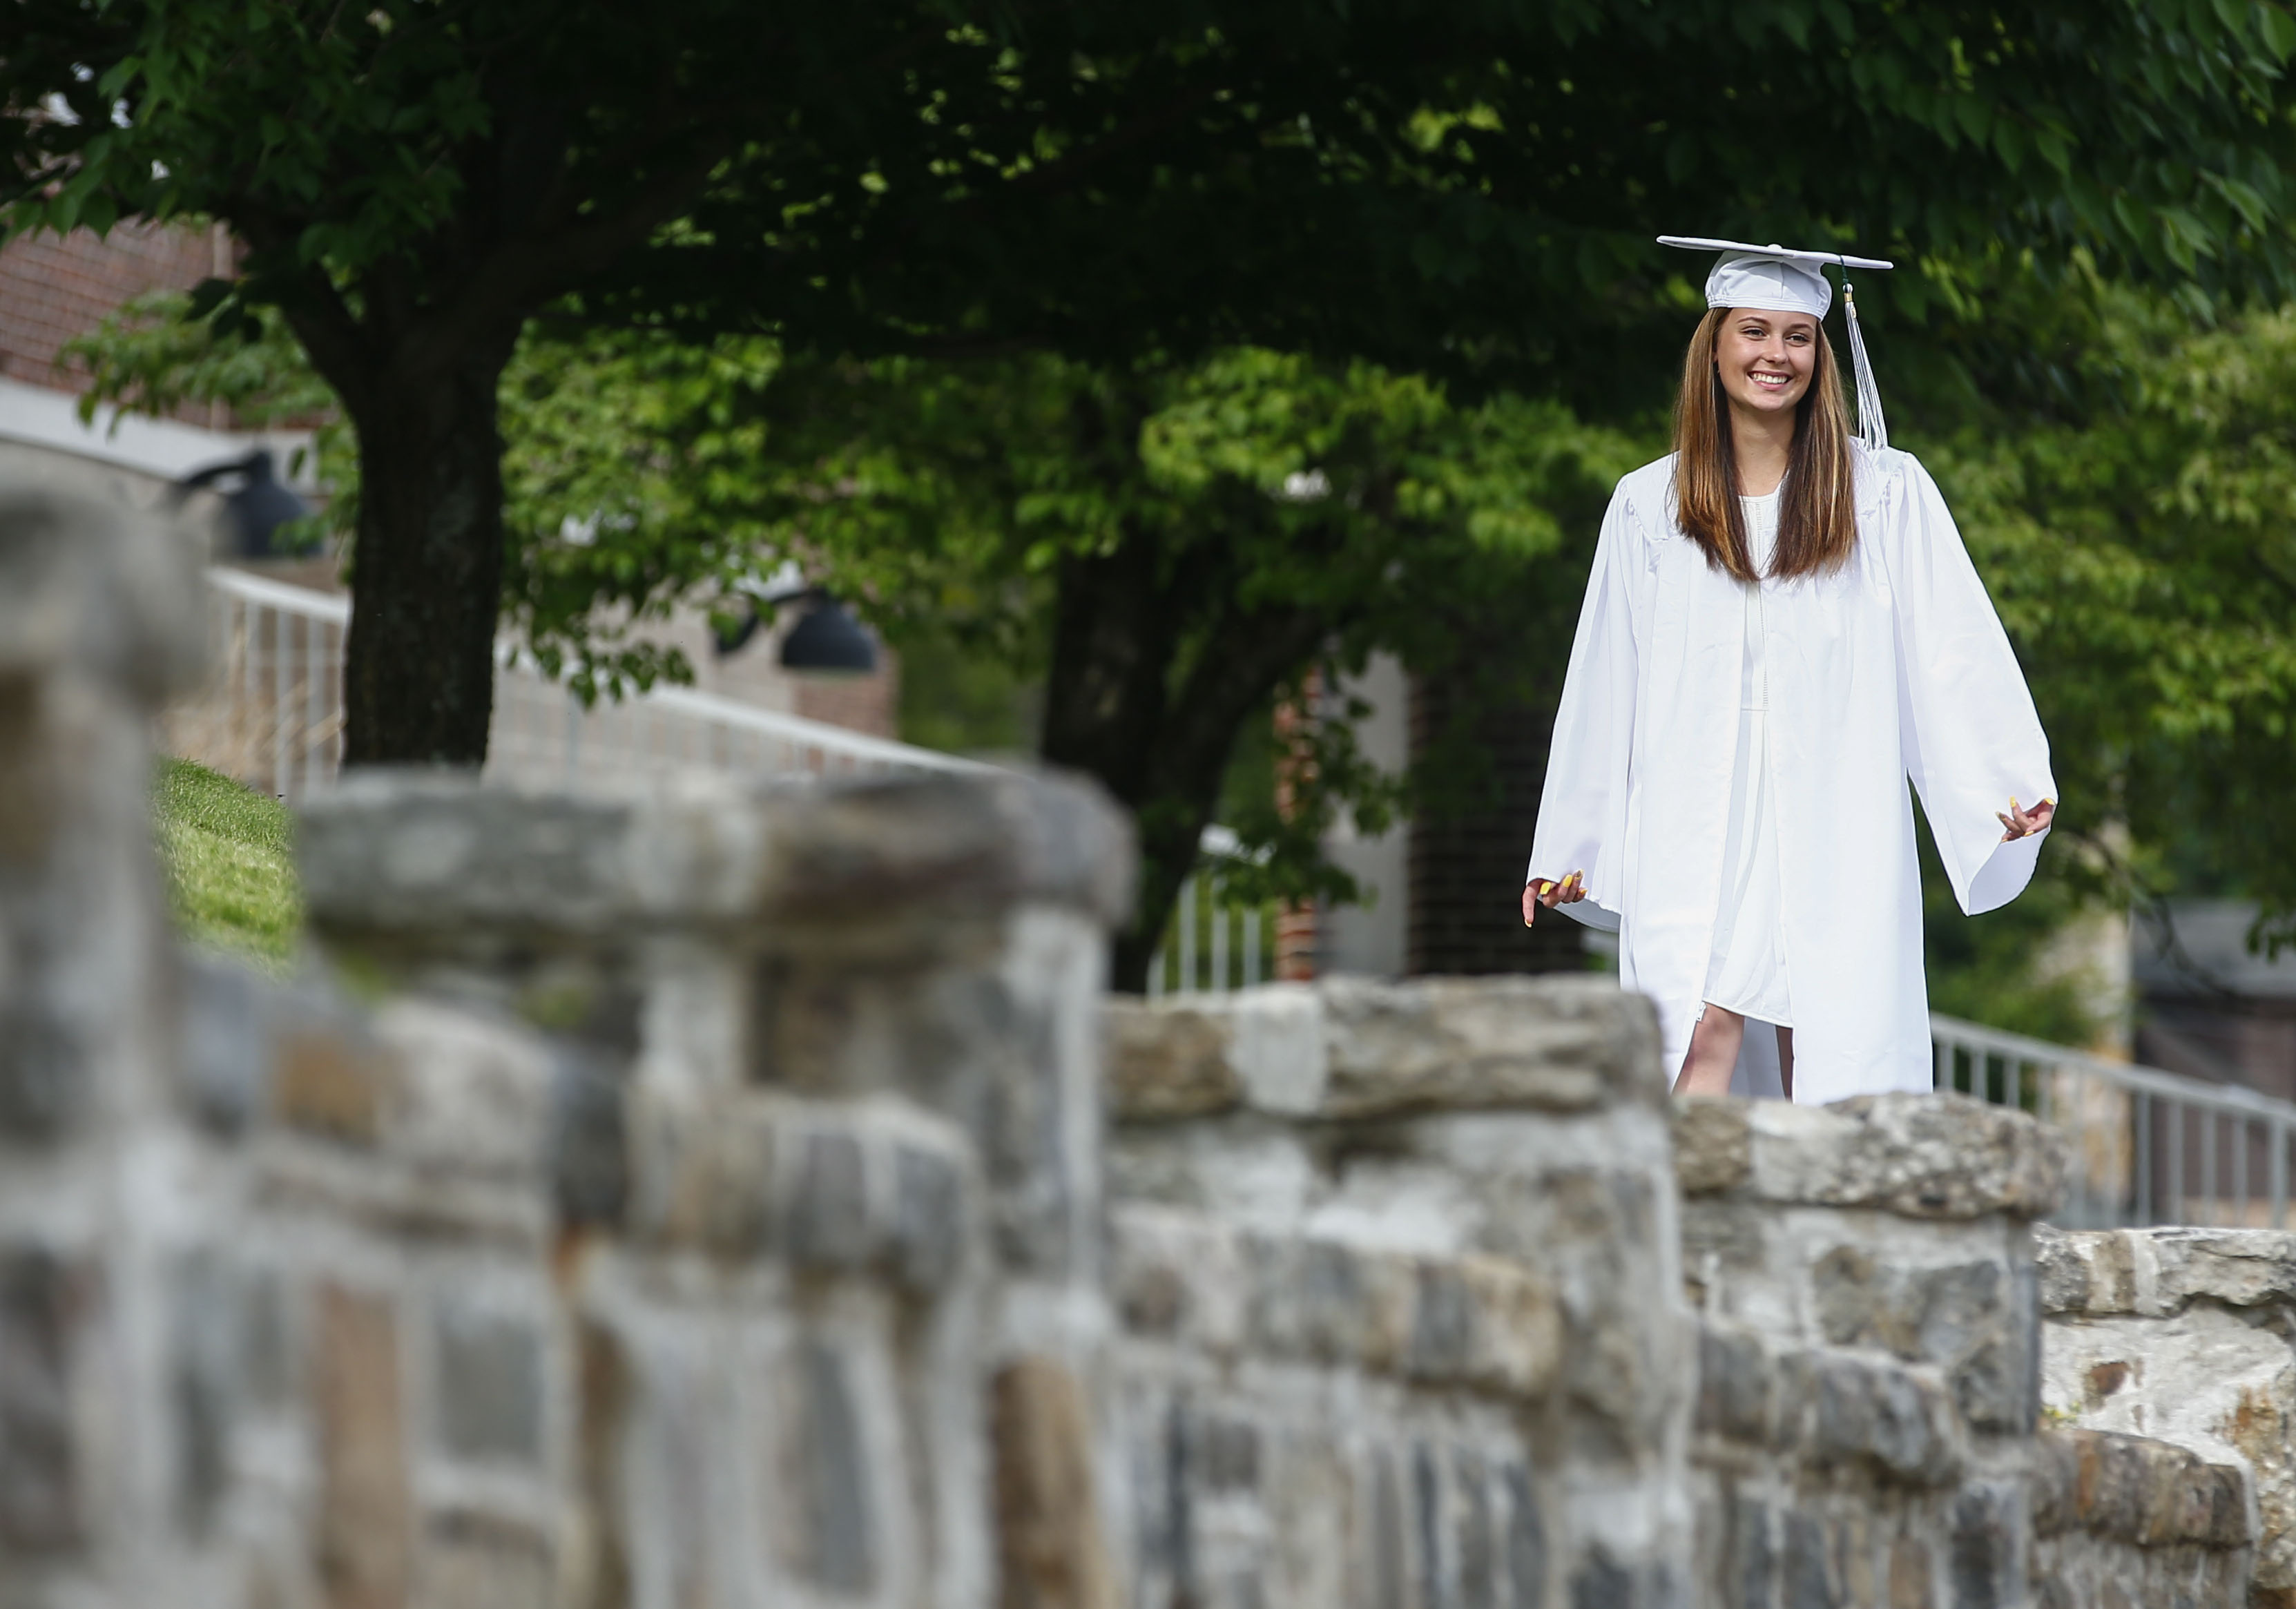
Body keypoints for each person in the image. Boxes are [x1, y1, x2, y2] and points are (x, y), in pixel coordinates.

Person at [1522, 238, 2055, 1104]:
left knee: (1833, 1036)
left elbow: (1948, 645)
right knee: (1693, 1029)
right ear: (1716, 345)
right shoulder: (1649, 506)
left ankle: (1835, 1227)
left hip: (1835, 798)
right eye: (1754, 331)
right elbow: (1604, 677)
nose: (1776, 355)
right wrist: (1573, 843)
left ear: (1820, 351)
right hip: (1697, 810)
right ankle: (1681, 1230)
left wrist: (2000, 784)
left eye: (1798, 336)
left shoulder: (1882, 492)